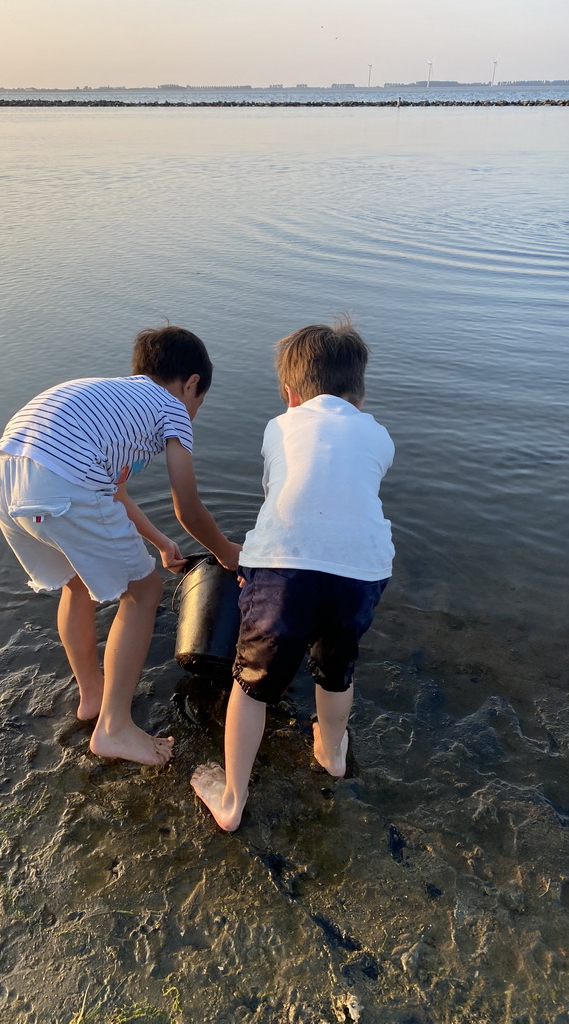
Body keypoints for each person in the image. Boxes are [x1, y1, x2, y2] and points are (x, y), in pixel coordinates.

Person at [0, 325, 241, 766]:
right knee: (144, 592)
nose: (194, 410)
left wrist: (161, 544)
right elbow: (189, 507)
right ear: (192, 384)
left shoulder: (108, 397)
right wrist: (225, 552)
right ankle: (114, 728)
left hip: (6, 479)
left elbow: (112, 494)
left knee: (76, 583)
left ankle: (92, 695)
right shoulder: (172, 408)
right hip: (62, 483)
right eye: (199, 401)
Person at [191, 318, 394, 830]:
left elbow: (279, 500)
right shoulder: (378, 434)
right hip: (363, 570)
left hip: (284, 569)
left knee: (253, 683)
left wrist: (251, 572)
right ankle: (332, 753)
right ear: (360, 396)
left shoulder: (279, 426)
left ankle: (232, 801)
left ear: (289, 394)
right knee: (335, 664)